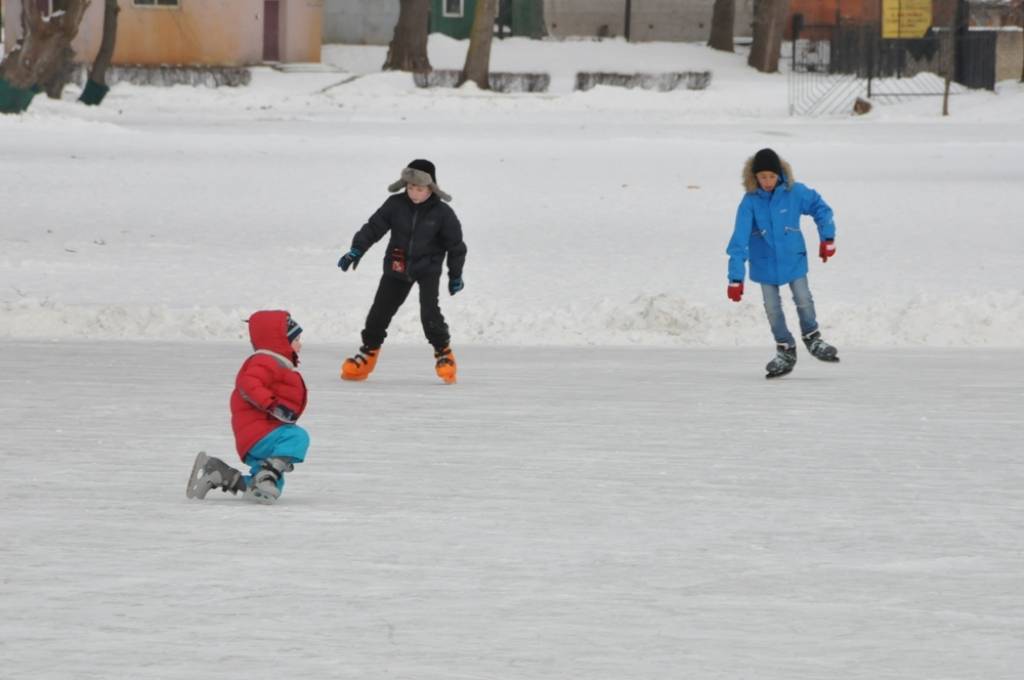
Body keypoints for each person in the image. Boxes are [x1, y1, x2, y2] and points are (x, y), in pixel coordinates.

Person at [337, 159, 467, 384]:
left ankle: (443, 353)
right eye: (410, 188)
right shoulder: (394, 205)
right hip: (397, 267)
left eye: (419, 189)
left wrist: (455, 275)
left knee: (429, 312)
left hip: (428, 268)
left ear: (431, 188)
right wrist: (356, 250)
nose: (414, 193)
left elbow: (456, 246)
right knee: (379, 312)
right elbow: (373, 227)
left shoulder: (443, 213)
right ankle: (367, 353)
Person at [725, 148, 840, 378]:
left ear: (780, 174)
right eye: (762, 177)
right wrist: (735, 278)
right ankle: (785, 347)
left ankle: (812, 337)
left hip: (793, 259)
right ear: (754, 177)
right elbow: (739, 240)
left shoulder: (794, 192)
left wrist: (827, 237)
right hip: (764, 264)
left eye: (771, 176)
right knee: (773, 309)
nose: (767, 181)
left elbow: (821, 208)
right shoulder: (750, 202)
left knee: (804, 300)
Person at [186, 310, 309, 504]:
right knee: (297, 437)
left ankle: (218, 473)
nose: (300, 344)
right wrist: (271, 405)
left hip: (260, 432)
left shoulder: (277, 365)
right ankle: (267, 473)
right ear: (281, 341)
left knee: (269, 489)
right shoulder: (265, 362)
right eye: (296, 339)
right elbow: (248, 383)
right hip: (259, 431)